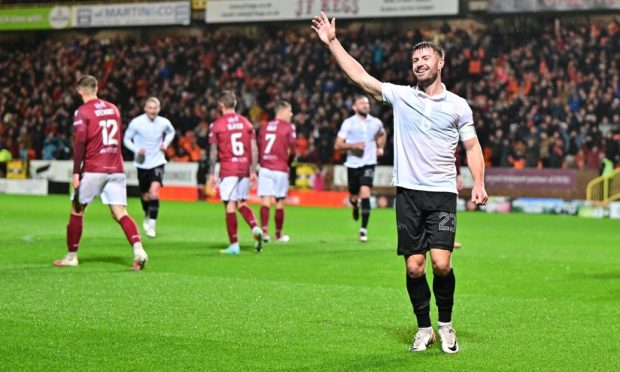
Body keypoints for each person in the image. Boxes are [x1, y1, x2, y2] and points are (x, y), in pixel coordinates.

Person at [312, 12, 488, 354]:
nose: (419, 63)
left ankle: (447, 324)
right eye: (414, 60)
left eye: (425, 58)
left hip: (442, 195)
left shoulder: (458, 106)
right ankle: (425, 328)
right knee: (414, 266)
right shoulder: (401, 96)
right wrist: (333, 42)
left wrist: (478, 182)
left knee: (442, 263)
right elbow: (361, 77)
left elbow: (472, 146)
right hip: (408, 194)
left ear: (441, 62)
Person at [54, 75, 148, 270]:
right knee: (120, 213)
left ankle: (72, 256)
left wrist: (76, 172)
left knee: (77, 210)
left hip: (94, 168)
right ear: (96, 88)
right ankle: (138, 249)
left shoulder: (82, 112)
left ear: (79, 91)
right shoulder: (113, 108)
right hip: (116, 168)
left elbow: (80, 142)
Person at [208, 91, 263, 255]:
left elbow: (213, 152)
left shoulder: (217, 125)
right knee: (242, 202)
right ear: (235, 104)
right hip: (244, 168)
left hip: (228, 168)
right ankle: (255, 227)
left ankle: (234, 245)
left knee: (230, 205)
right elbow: (254, 148)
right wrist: (253, 171)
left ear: (221, 105)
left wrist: (211, 173)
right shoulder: (246, 123)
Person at [334, 94, 385, 242]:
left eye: (367, 103)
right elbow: (338, 145)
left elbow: (382, 134)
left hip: (369, 162)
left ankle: (363, 230)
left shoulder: (376, 122)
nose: (365, 105)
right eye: (362, 103)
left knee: (365, 192)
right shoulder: (348, 123)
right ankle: (355, 206)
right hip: (353, 164)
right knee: (354, 196)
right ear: (354, 107)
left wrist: (380, 147)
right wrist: (353, 145)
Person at [123, 97, 175, 238]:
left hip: (158, 161)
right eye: (150, 108)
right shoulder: (137, 123)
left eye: (155, 108)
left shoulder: (164, 122)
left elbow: (171, 132)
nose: (153, 111)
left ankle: (152, 225)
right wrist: (136, 149)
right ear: (145, 108)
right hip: (142, 163)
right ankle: (147, 213)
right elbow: (126, 139)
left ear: (159, 109)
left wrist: (165, 144)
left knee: (154, 193)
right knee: (145, 196)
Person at [257, 100, 297, 243]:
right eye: (289, 111)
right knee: (280, 201)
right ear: (281, 111)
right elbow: (293, 150)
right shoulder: (288, 128)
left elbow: (259, 146)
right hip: (280, 167)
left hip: (265, 167)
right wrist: (289, 163)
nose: (291, 114)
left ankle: (265, 232)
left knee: (265, 200)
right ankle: (278, 235)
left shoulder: (264, 127)